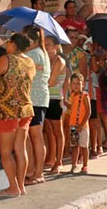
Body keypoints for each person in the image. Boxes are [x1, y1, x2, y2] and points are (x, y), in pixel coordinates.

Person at [0, 33, 35, 198]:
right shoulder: (29, 62)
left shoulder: (6, 60)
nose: (6, 45)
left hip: (6, 110)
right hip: (25, 109)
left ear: (13, 44)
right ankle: (20, 185)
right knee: (20, 149)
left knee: (5, 152)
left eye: (8, 43)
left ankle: (13, 187)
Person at [23, 25, 50, 184]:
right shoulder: (41, 53)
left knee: (35, 136)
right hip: (37, 99)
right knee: (32, 136)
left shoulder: (33, 54)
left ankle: (38, 172)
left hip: (35, 99)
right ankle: (33, 170)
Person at [43, 36, 67, 174]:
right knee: (49, 131)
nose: (46, 46)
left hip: (55, 99)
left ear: (56, 46)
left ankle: (59, 161)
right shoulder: (46, 59)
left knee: (57, 131)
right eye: (44, 44)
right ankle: (51, 158)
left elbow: (51, 82)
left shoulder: (59, 61)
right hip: (45, 98)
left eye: (49, 44)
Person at [66, 73, 91, 174]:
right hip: (73, 125)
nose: (76, 86)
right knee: (74, 146)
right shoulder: (72, 95)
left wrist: (81, 125)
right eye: (74, 83)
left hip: (83, 126)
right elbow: (73, 107)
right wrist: (66, 104)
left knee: (84, 146)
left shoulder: (85, 96)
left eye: (78, 83)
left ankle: (85, 165)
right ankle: (74, 164)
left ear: (83, 84)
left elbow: (88, 111)